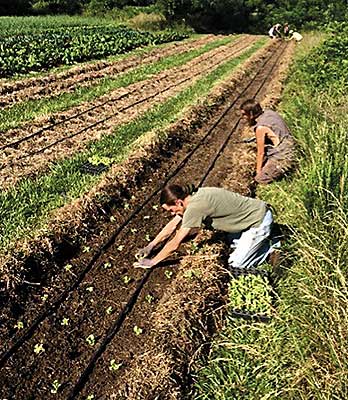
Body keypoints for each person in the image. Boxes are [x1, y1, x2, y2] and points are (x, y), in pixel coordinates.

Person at [134, 184, 276, 270]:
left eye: (171, 210)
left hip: (258, 221)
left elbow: (175, 243)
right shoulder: (193, 196)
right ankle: (263, 242)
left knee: (236, 264)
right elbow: (171, 227)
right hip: (255, 215)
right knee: (231, 242)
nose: (172, 214)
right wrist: (150, 246)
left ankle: (272, 247)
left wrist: (152, 262)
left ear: (178, 203)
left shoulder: (195, 208)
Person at [240, 99, 297, 184]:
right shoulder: (269, 113)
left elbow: (261, 153)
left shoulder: (260, 128)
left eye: (244, 114)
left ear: (251, 114)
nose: (243, 117)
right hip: (291, 146)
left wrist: (258, 172)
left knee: (259, 179)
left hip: (284, 156)